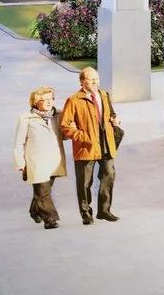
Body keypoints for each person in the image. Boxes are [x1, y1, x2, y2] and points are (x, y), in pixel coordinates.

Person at [56, 65, 121, 224]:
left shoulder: (104, 95)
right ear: (82, 82)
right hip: (86, 147)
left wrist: (115, 119)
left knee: (109, 175)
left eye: (96, 79)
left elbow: (111, 114)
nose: (95, 83)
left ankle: (104, 211)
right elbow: (65, 125)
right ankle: (86, 213)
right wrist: (83, 137)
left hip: (106, 144)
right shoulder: (73, 100)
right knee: (85, 182)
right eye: (91, 80)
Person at [14, 87, 65, 229]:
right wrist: (19, 161)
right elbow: (19, 142)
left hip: (54, 159)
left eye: (51, 99)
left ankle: (34, 210)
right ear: (36, 102)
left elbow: (64, 135)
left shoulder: (59, 114)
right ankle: (50, 219)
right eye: (45, 100)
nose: (49, 102)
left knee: (44, 190)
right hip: (36, 160)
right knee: (43, 190)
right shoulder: (26, 118)